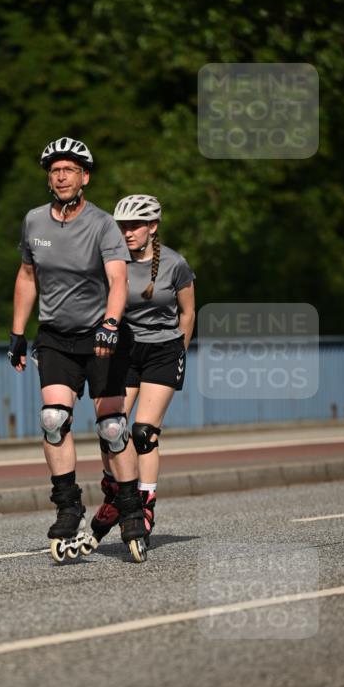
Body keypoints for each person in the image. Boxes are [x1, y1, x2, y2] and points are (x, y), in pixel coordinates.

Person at [8, 138, 147, 562]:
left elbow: (118, 280)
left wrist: (111, 323)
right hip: (56, 336)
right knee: (53, 419)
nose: (61, 176)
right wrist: (17, 333)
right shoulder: (34, 221)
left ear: (84, 177)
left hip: (102, 335)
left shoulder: (102, 224)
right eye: (55, 170)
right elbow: (27, 276)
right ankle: (68, 508)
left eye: (69, 170)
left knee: (112, 428)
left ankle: (130, 510)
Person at [91, 194, 196, 546]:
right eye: (122, 226)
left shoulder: (175, 264)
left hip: (163, 351)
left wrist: (178, 352)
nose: (127, 232)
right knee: (111, 429)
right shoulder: (113, 262)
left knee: (143, 433)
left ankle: (145, 503)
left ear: (152, 226)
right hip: (124, 351)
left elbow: (188, 313)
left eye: (135, 225)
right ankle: (116, 494)